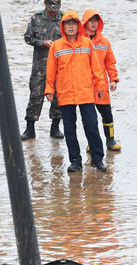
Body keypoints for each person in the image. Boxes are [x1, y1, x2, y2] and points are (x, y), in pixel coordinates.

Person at [45, 11, 108, 173]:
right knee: (69, 129)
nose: (71, 26)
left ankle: (97, 159)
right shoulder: (56, 46)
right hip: (65, 94)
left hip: (86, 92)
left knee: (92, 126)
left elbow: (96, 68)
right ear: (63, 26)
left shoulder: (87, 44)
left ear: (78, 26)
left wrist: (100, 86)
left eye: (73, 23)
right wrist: (49, 89)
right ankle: (75, 160)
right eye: (67, 24)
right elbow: (51, 71)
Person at [21, 0, 63, 141]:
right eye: (51, 8)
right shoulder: (35, 18)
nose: (53, 11)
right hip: (40, 66)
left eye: (55, 8)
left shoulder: (65, 19)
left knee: (58, 96)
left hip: (59, 66)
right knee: (35, 95)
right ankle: (30, 128)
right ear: (45, 4)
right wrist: (42, 43)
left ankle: (55, 127)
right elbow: (28, 38)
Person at [82, 9, 120, 151]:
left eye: (95, 20)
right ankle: (91, 143)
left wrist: (113, 79)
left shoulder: (104, 41)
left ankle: (110, 140)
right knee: (88, 118)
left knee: (107, 114)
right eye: (90, 21)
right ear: (85, 22)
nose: (93, 23)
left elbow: (110, 63)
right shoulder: (79, 41)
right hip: (85, 85)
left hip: (101, 84)